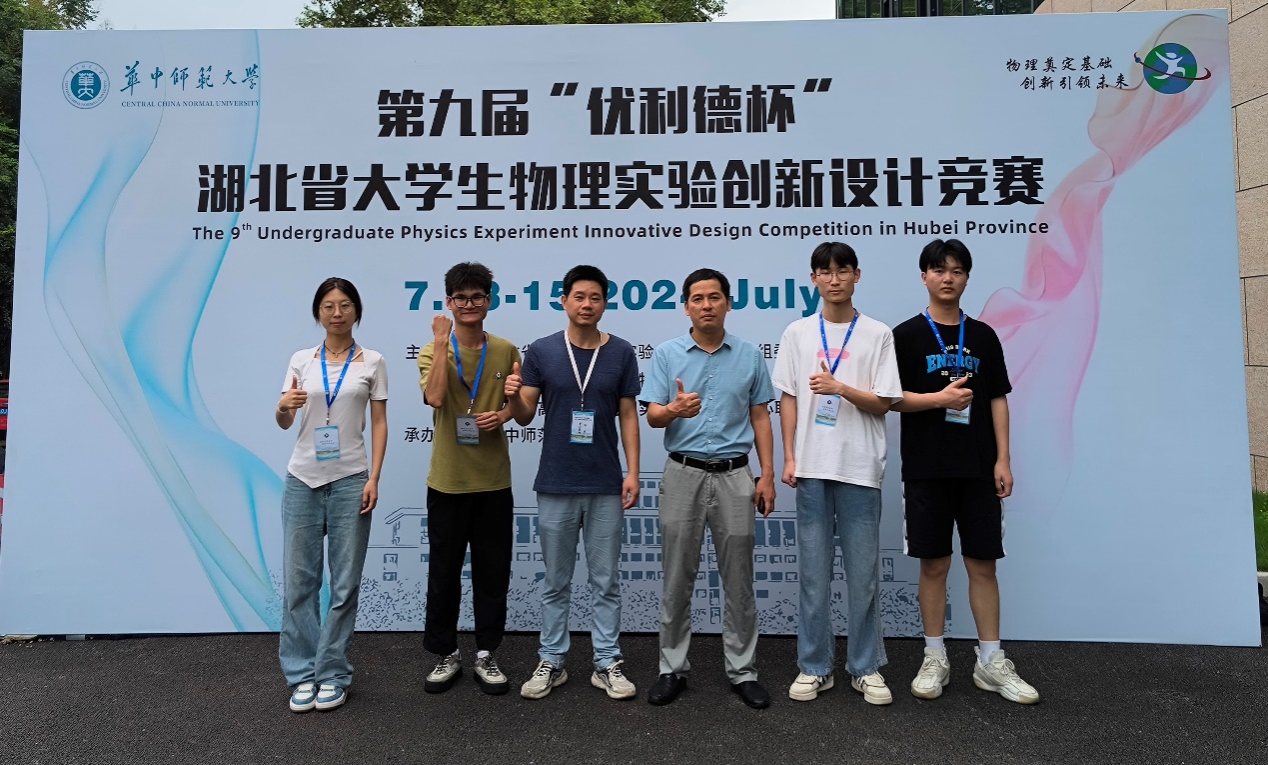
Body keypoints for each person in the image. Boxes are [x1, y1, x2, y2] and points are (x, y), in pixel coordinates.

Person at [890, 238, 1039, 705]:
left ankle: (991, 661)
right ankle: (934, 656)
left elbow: (997, 398)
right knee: (934, 565)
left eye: (956, 270)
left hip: (978, 468)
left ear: (967, 278)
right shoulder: (905, 336)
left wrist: (1003, 459)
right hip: (926, 468)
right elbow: (891, 400)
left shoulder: (984, 336)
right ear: (924, 277)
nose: (947, 278)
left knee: (982, 564)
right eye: (938, 270)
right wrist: (940, 400)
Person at [639, 268, 776, 710]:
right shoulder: (667, 354)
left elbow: (760, 417)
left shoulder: (750, 355)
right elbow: (652, 416)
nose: (706, 305)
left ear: (728, 303)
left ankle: (743, 671)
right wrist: (674, 410)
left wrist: (767, 474)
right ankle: (672, 668)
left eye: (714, 297)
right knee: (677, 576)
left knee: (739, 580)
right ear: (686, 307)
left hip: (736, 475)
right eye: (697, 299)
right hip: (684, 473)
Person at [772, 242, 902, 706]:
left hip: (860, 467)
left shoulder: (877, 333)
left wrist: (839, 387)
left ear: (857, 275)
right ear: (814, 279)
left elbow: (884, 402)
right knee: (813, 576)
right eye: (825, 272)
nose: (834, 279)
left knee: (863, 577)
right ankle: (814, 666)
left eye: (843, 270)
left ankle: (865, 667)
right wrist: (790, 457)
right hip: (811, 467)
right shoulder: (798, 332)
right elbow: (788, 397)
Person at [504, 265, 642, 701]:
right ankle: (552, 660)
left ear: (605, 303)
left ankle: (607, 662)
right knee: (556, 581)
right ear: (564, 301)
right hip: (556, 482)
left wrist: (633, 472)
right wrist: (513, 395)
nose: (587, 304)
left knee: (606, 581)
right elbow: (524, 416)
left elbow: (628, 416)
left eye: (595, 297)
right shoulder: (542, 351)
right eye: (579, 296)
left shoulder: (621, 352)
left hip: (604, 483)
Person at [276, 277, 388, 713]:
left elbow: (379, 423)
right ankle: (302, 674)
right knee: (300, 584)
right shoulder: (301, 359)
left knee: (344, 584)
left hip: (350, 480)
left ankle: (333, 673)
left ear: (356, 310)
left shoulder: (373, 361)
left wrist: (373, 477)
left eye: (344, 305)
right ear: (317, 312)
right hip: (302, 480)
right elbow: (285, 420)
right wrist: (283, 406)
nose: (336, 313)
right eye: (328, 306)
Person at [418, 262, 521, 696]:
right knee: (443, 573)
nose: (469, 304)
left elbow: (521, 409)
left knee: (492, 573)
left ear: (489, 300)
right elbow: (436, 397)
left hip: (493, 482)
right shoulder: (431, 350)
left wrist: (505, 412)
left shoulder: (506, 349)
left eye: (477, 296)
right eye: (460, 298)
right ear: (449, 303)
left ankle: (487, 653)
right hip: (448, 482)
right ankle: (445, 653)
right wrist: (443, 342)